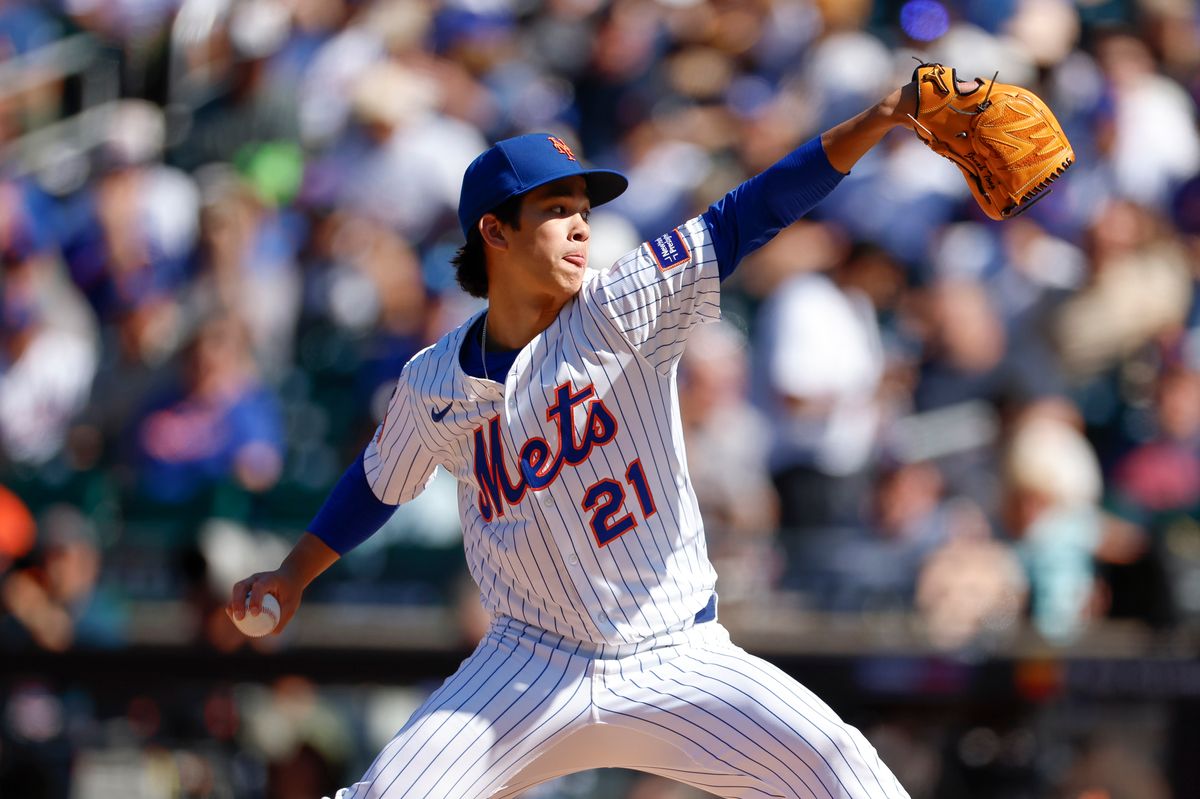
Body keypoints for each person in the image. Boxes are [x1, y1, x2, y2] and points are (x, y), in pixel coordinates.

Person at [229, 75, 927, 798]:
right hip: (528, 661)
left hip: (676, 652)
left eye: (583, 210)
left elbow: (745, 214)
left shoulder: (622, 305)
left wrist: (878, 119)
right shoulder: (432, 381)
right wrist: (292, 574)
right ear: (495, 232)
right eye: (556, 210)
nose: (581, 226)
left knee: (844, 765)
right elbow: (378, 482)